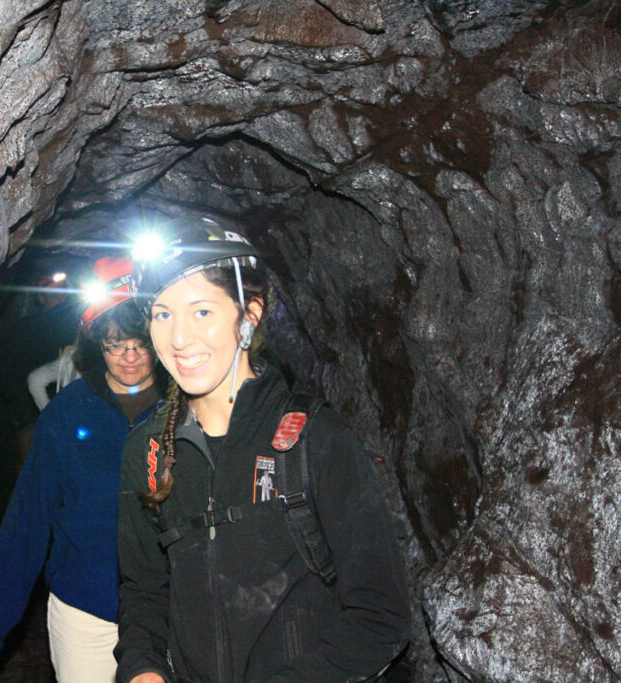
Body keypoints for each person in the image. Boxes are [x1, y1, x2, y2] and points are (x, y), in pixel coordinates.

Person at [115, 216, 410, 683]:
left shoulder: (315, 438)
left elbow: (381, 615)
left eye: (202, 312)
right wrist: (143, 669)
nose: (179, 338)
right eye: (162, 313)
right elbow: (145, 591)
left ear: (250, 314)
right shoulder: (148, 452)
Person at [0, 257, 163, 682]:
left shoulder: (183, 409)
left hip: (170, 610)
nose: (129, 357)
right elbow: (29, 517)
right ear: (98, 342)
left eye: (140, 343)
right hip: (85, 610)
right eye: (115, 344)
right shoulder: (68, 411)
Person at [27, 344, 80, 411]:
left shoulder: (72, 357)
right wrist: (51, 415)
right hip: (77, 417)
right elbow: (35, 380)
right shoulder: (71, 358)